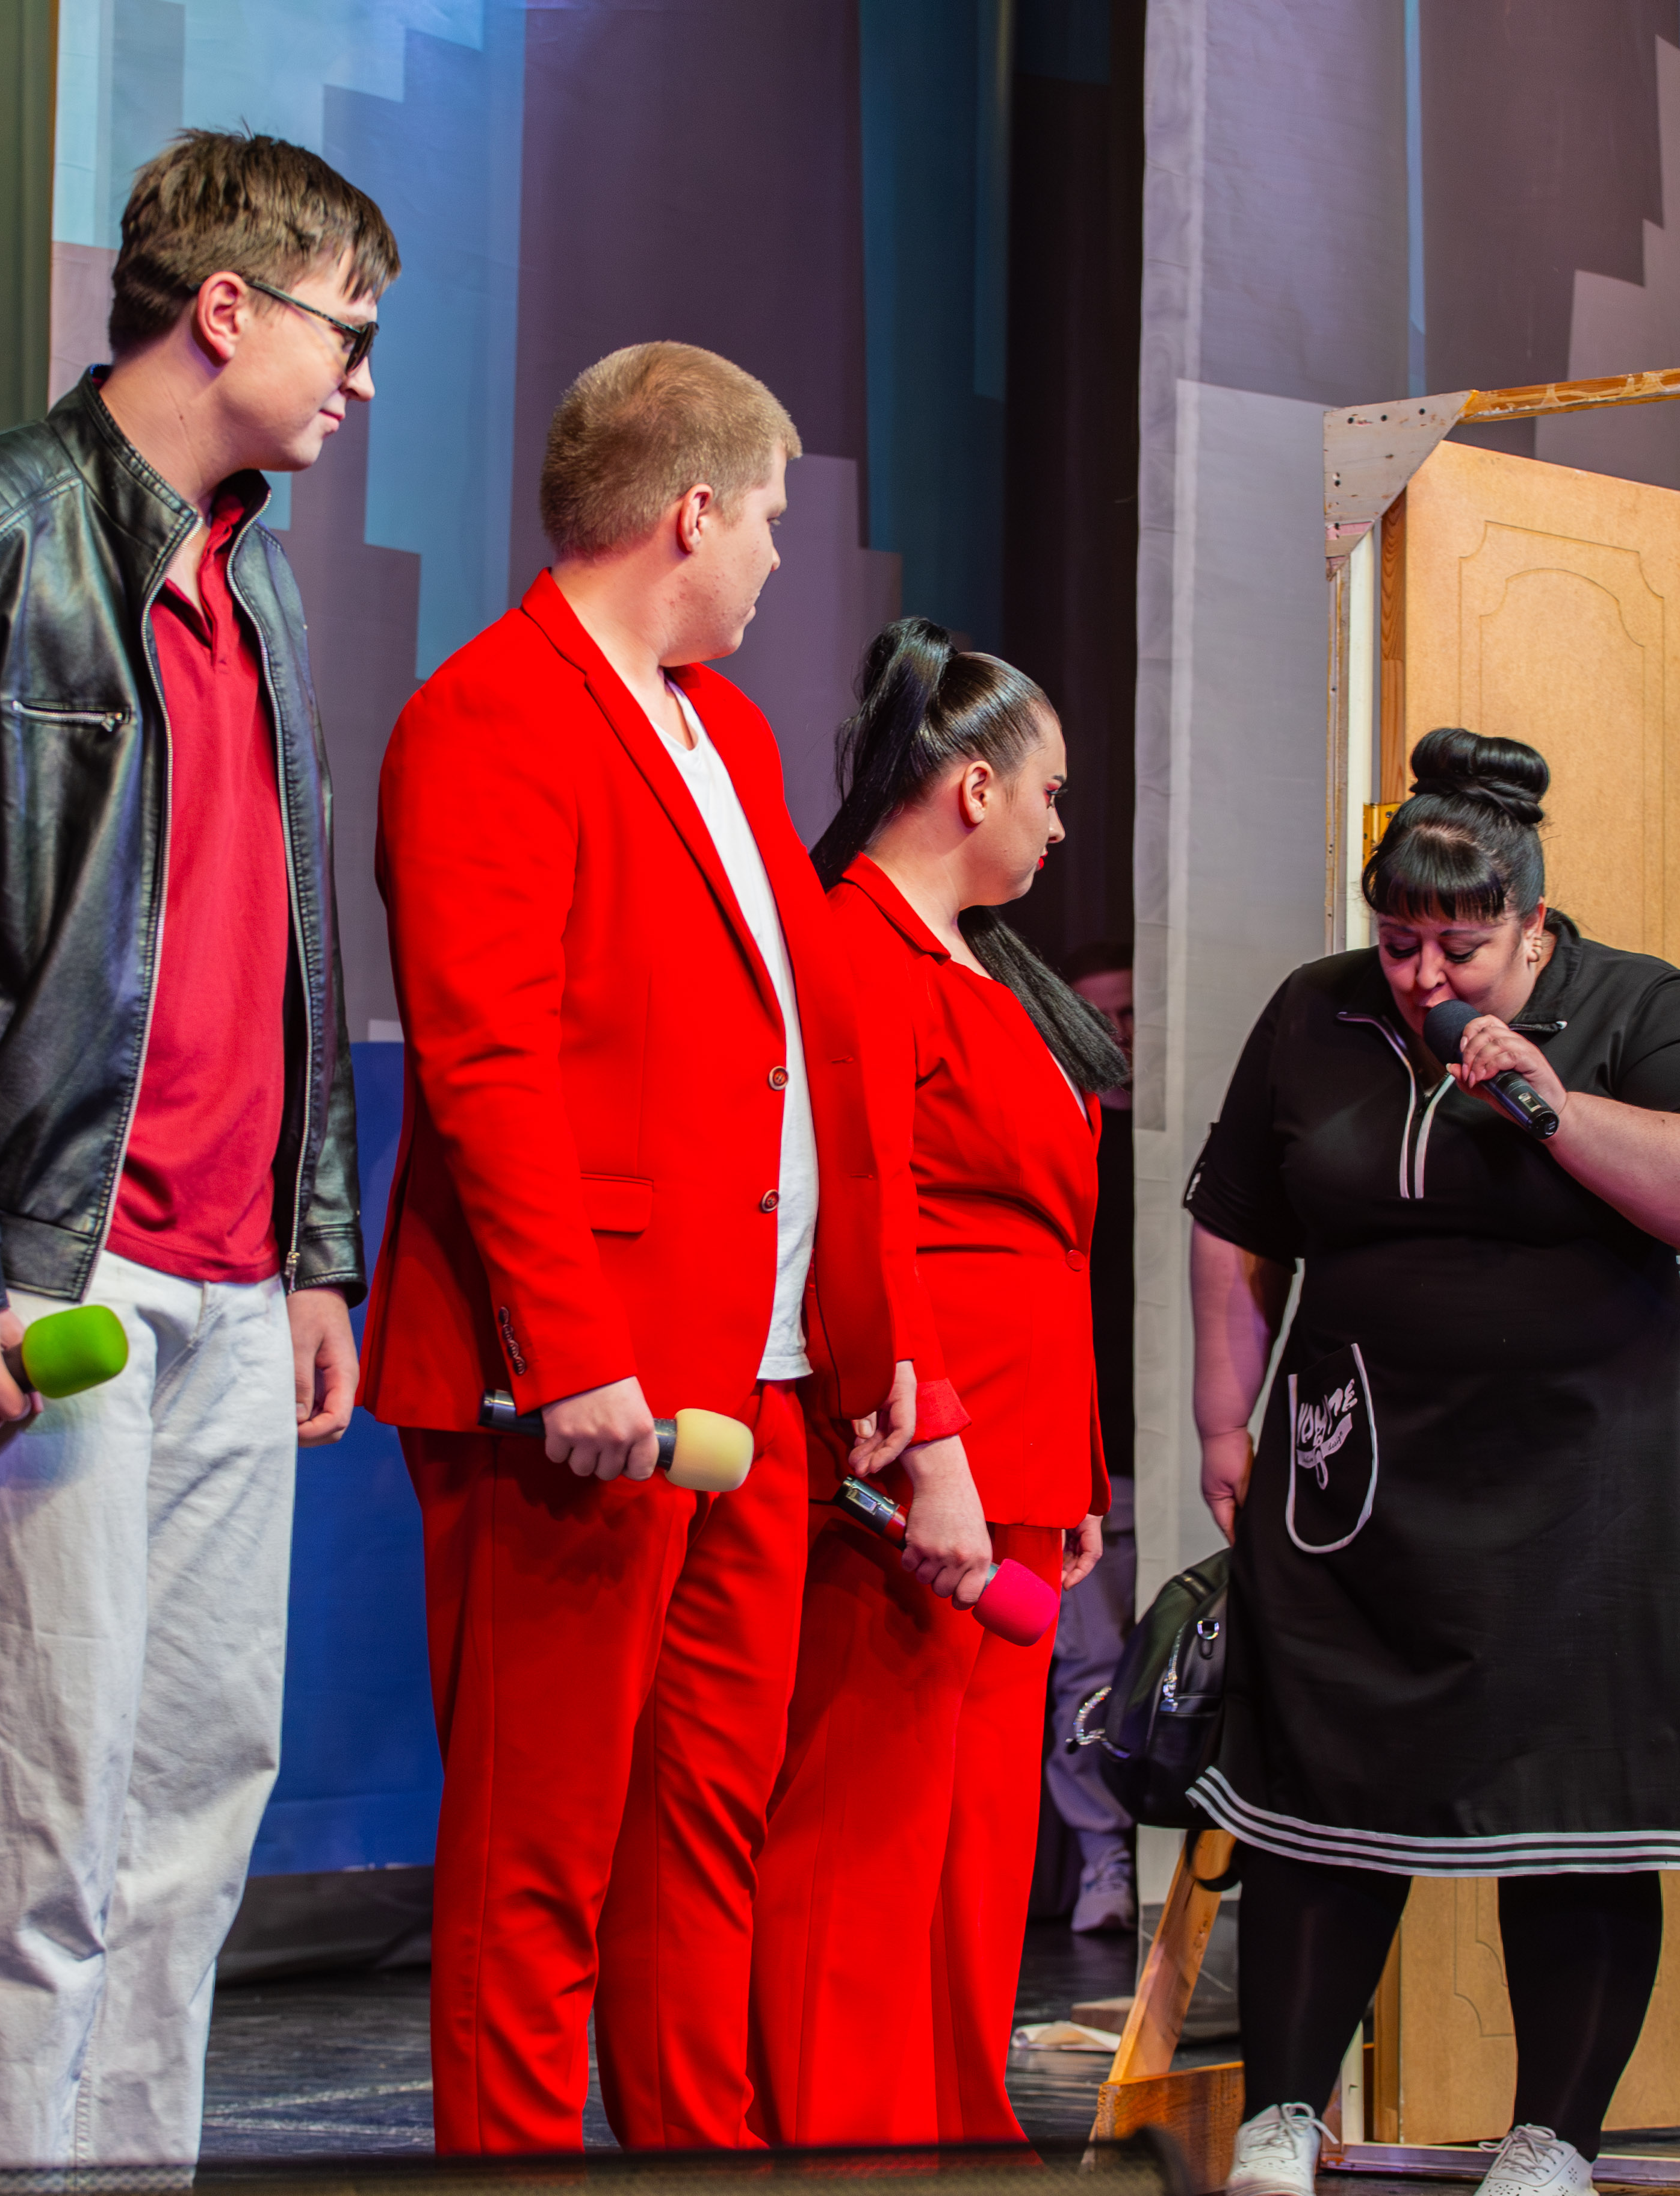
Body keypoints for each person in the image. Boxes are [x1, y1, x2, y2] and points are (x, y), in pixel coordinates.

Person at [0, 131, 385, 2168]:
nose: (363, 377)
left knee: (193, 1818)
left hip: (233, 1287)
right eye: (346, 328)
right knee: (31, 1829)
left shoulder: (259, 575)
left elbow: (298, 933)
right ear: (226, 309)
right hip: (56, 1274)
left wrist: (318, 1246)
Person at [364, 341, 919, 2153]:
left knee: (701, 1845)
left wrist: (864, 1347)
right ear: (692, 512)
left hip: (751, 1385)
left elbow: (798, 1050)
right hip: (584, 1394)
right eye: (768, 520)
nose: (775, 558)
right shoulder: (487, 715)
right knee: (537, 1861)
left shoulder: (728, 731)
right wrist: (570, 1345)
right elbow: (486, 1063)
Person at [1188, 730, 1680, 2196]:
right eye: (1399, 942)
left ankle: (1554, 2138)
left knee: (1579, 1816)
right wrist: (1221, 1423)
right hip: (1359, 1476)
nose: (1423, 976)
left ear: (1534, 922)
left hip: (1587, 1490)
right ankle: (1282, 2116)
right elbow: (1237, 1220)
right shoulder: (1315, 1011)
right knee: (1324, 1796)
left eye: (1461, 948)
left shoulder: (1637, 1004)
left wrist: (1548, 1103)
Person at [748, 621, 1122, 2144]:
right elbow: (870, 1217)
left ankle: (957, 2134)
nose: (1058, 823)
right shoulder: (856, 942)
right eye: (1049, 791)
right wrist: (935, 1454)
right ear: (974, 788)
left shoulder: (983, 962)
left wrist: (1074, 1467)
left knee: (974, 1838)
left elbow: (1050, 1243)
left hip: (1020, 1456)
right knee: (868, 1819)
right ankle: (842, 2139)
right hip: (921, 1454)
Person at [1046, 936, 1140, 1933]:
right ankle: (1104, 1860)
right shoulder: (1058, 1130)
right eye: (1098, 1015)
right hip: (1090, 1449)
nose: (1118, 1035)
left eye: (1133, 1014)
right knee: (1090, 1665)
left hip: (1179, 1444)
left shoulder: (1186, 1138)